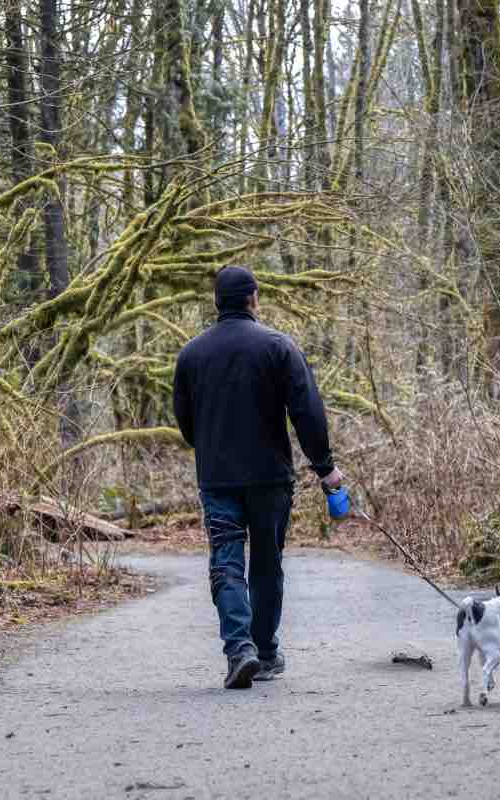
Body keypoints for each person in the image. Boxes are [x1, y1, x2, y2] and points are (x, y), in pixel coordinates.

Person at [172, 265, 343, 689]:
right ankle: (264, 652)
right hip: (270, 478)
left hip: (217, 479)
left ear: (217, 302)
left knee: (226, 562)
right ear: (254, 298)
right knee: (267, 561)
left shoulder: (191, 355)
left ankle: (239, 649)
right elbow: (308, 413)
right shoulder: (278, 348)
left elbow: (186, 425)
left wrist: (210, 445)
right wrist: (326, 468)